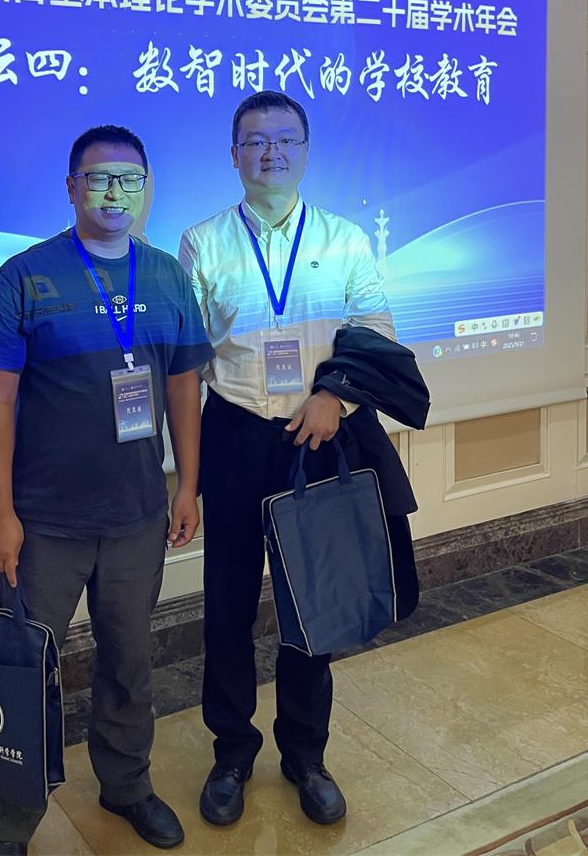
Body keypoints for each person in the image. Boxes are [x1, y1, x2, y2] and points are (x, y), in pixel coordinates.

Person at [180, 90, 422, 830]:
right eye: (256, 141)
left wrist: (334, 397)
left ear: (306, 151)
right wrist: (185, 472)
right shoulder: (203, 243)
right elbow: (189, 358)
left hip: (318, 436)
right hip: (234, 434)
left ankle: (306, 755)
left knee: (312, 600)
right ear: (234, 155)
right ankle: (231, 751)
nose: (271, 153)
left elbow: (376, 328)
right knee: (226, 605)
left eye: (286, 140)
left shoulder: (344, 238)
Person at [0, 124, 212, 856]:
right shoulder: (25, 276)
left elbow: (183, 385)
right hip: (43, 523)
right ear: (72, 187)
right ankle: (13, 826)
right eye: (99, 178)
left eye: (130, 180)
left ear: (146, 190)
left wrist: (188, 484)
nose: (115, 192)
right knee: (25, 673)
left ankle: (127, 785)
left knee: (129, 661)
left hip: (137, 516)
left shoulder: (166, 276)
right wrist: (0, 514)